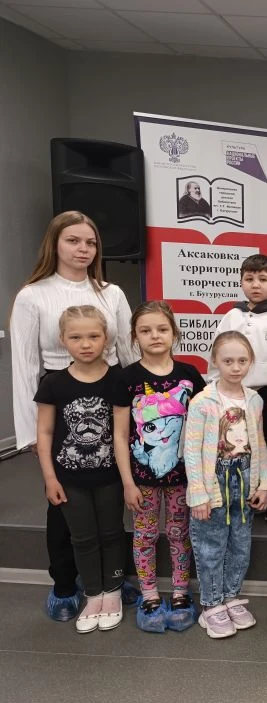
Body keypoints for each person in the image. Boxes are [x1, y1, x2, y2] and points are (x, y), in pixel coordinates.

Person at [10, 211, 134, 621]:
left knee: (112, 493)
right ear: (55, 244)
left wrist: (142, 405)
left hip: (109, 392)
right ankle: (65, 583)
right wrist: (30, 433)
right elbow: (25, 365)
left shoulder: (111, 293)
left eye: (91, 242)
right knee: (64, 498)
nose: (83, 249)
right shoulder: (33, 295)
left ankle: (114, 578)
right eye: (73, 241)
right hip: (60, 396)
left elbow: (128, 352)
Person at [112, 301, 204, 633]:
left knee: (180, 533)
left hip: (183, 478)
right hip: (142, 481)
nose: (155, 335)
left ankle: (180, 592)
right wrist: (127, 482)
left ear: (174, 333)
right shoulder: (127, 378)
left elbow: (201, 427)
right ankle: (149, 594)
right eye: (146, 330)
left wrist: (201, 478)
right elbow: (120, 435)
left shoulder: (189, 375)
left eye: (162, 329)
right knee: (145, 535)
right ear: (134, 337)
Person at [35, 306, 125, 633]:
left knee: (112, 533)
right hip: (69, 478)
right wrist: (49, 477)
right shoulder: (53, 383)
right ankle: (93, 592)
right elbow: (45, 433)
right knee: (82, 537)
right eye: (76, 337)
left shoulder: (118, 380)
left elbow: (121, 434)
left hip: (110, 477)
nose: (85, 344)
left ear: (106, 338)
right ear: (62, 339)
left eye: (93, 336)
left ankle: (113, 591)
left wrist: (128, 481)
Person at [185, 331, 267, 639]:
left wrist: (264, 483)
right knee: (211, 545)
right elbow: (191, 451)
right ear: (215, 362)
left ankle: (231, 595)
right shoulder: (202, 402)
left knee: (240, 544)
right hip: (214, 483)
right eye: (228, 361)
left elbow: (260, 443)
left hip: (244, 481)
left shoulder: (254, 400)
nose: (236, 367)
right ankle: (211, 603)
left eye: (242, 361)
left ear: (251, 362)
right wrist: (198, 495)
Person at [213, 253, 267, 522]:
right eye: (249, 279)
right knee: (240, 447)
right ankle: (243, 498)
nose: (256, 284)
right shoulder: (232, 315)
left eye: (263, 279)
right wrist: (214, 386)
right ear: (241, 283)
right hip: (236, 393)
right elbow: (218, 351)